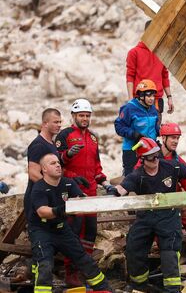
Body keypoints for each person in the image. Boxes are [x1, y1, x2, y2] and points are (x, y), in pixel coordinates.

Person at [112, 137, 186, 292]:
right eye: (150, 157)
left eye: (156, 154)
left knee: (169, 251)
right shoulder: (137, 175)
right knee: (134, 247)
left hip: (169, 216)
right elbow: (121, 189)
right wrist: (112, 190)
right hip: (146, 218)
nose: (155, 159)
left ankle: (172, 289)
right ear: (142, 159)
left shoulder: (170, 166)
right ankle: (139, 285)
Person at [55, 99, 118, 288]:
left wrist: (106, 184)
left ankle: (86, 268)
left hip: (91, 191)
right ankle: (70, 271)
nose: (84, 119)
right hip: (72, 191)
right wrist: (68, 157)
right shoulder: (64, 135)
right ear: (73, 116)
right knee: (74, 230)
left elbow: (97, 167)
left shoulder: (93, 138)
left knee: (90, 230)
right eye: (81, 115)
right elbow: (55, 163)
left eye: (87, 116)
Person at [25, 154, 111, 292]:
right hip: (42, 231)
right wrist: (63, 209)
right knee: (45, 265)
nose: (58, 165)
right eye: (53, 163)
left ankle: (103, 288)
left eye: (58, 162)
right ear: (44, 169)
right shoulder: (39, 188)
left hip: (62, 229)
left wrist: (88, 201)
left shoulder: (68, 183)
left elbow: (81, 200)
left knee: (83, 258)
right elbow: (42, 211)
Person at [134, 122, 186, 242]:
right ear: (163, 138)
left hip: (176, 201)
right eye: (172, 138)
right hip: (155, 205)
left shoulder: (177, 160)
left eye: (177, 138)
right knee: (161, 239)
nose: (176, 141)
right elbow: (136, 178)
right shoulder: (148, 156)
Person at [24, 109, 63, 227]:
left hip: (48, 199)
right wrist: (54, 190)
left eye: (60, 122)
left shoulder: (51, 143)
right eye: (56, 122)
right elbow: (33, 173)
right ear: (45, 124)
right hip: (38, 200)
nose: (59, 125)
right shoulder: (38, 145)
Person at [126, 20, 173, 115]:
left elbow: (165, 76)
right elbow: (130, 76)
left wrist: (169, 97)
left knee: (155, 129)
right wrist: (130, 99)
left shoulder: (161, 53)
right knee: (139, 129)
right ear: (146, 33)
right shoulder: (134, 53)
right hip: (139, 101)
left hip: (157, 101)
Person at [115, 79, 161, 176]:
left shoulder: (153, 109)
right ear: (140, 95)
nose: (152, 98)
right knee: (131, 178)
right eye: (149, 95)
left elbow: (155, 127)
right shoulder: (129, 108)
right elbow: (119, 126)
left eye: (153, 95)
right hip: (132, 150)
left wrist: (161, 131)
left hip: (150, 149)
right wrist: (133, 134)